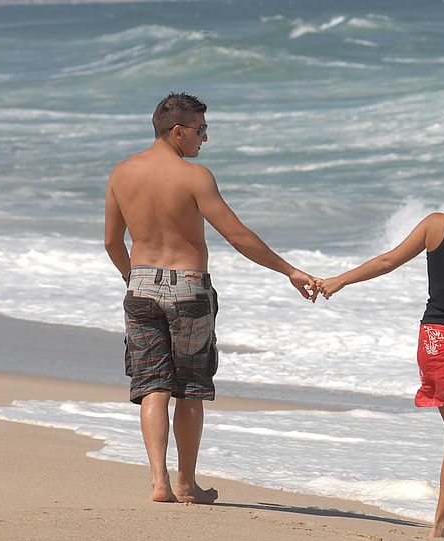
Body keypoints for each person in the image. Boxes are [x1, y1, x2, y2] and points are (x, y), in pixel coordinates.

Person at [104, 92, 318, 504]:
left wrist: (136, 279)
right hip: (189, 287)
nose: (205, 139)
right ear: (178, 131)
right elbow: (237, 236)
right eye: (201, 130)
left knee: (151, 386)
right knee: (190, 387)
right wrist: (289, 269)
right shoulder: (195, 177)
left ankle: (159, 483)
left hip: (141, 285)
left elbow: (112, 241)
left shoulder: (121, 173)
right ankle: (186, 483)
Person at [315, 169, 444, 538]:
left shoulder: (433, 225)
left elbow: (386, 261)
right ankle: (441, 525)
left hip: (432, 342)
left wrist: (339, 280)